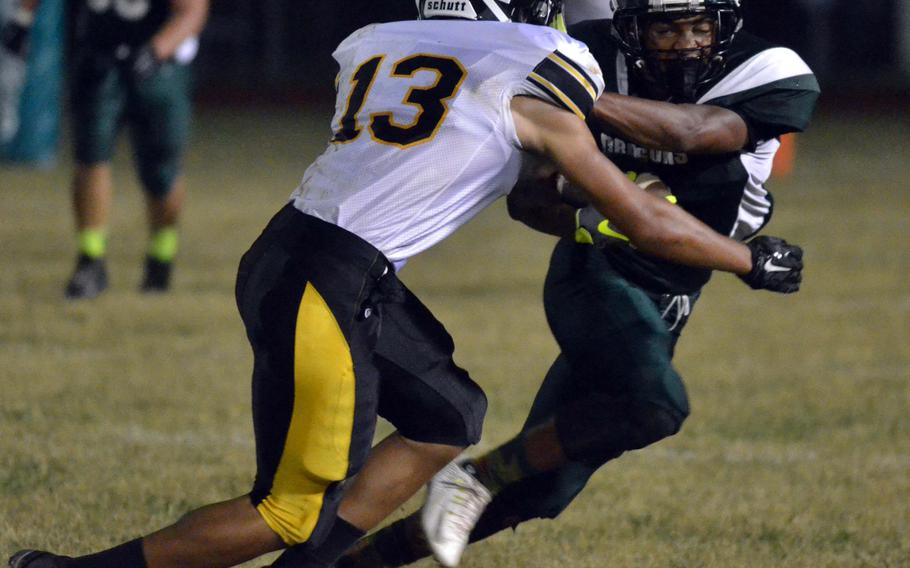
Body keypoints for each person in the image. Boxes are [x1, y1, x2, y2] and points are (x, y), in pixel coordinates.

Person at [9, 1, 803, 567]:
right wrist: (749, 259)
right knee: (286, 511)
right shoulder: (533, 78)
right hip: (329, 280)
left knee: (450, 416)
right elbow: (638, 215)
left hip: (306, 255)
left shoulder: (378, 43)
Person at [336, 0, 820, 566]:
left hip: (675, 292)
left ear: (725, 25)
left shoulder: (767, 70)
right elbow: (528, 199)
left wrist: (561, 84)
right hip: (597, 271)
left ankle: (358, 560)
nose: (685, 42)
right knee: (655, 404)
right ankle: (473, 477)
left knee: (545, 487)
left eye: (699, 26)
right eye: (666, 26)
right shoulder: (592, 53)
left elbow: (697, 131)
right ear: (633, 27)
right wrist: (600, 215)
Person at [1, 0, 208, 299]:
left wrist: (156, 50)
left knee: (161, 172)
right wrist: (22, 19)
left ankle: (161, 255)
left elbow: (192, 11)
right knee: (91, 157)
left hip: (162, 65)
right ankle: (90, 260)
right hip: (99, 56)